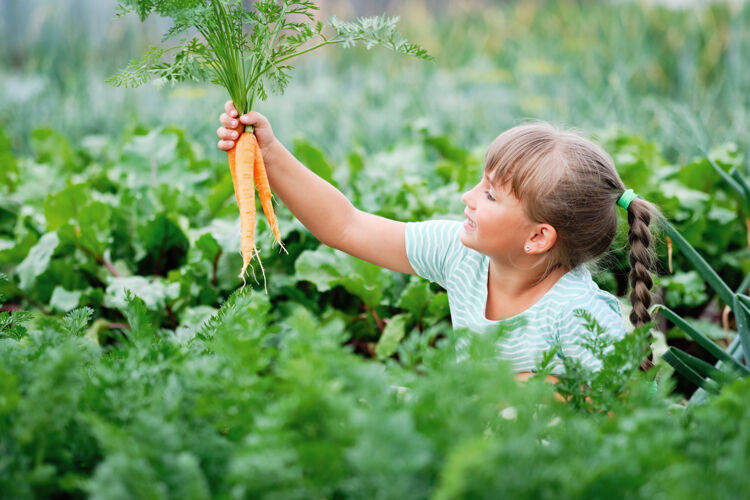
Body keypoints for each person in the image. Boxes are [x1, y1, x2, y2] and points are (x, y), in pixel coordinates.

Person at [216, 101, 660, 379]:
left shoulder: (579, 313)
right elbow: (344, 225)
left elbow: (608, 414)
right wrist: (268, 153)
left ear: (538, 237)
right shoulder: (459, 255)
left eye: (489, 194)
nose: (467, 198)